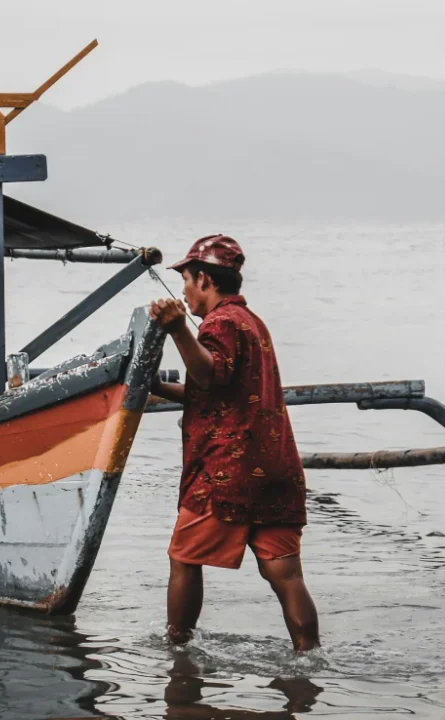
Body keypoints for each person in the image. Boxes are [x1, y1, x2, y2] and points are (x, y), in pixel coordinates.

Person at [149, 234, 320, 653]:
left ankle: (178, 653)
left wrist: (175, 330)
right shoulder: (253, 322)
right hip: (276, 471)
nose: (185, 291)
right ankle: (310, 661)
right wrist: (151, 384)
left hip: (227, 475)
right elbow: (215, 388)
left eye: (187, 280)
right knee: (287, 576)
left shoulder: (220, 322)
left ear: (205, 279)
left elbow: (209, 375)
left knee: (184, 559)